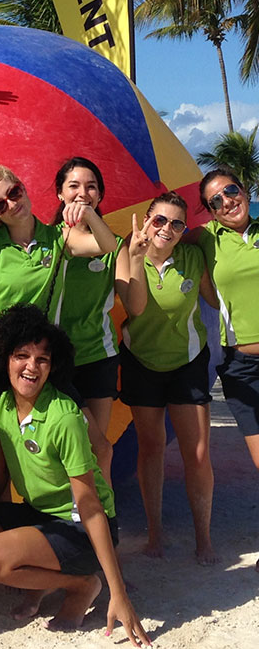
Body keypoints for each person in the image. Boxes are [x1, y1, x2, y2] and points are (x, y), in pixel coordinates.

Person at [0, 305, 150, 647]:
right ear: (3, 358)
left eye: (42, 359)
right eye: (22, 355)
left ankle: (83, 585)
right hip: (41, 515)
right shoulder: (0, 407)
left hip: (81, 526)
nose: (31, 366)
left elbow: (91, 507)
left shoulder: (64, 415)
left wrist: (118, 590)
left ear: (54, 366)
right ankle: (41, 582)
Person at [0, 164, 117, 479]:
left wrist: (85, 214)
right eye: (0, 205)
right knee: (0, 469)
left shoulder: (60, 238)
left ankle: (90, 520)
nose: (13, 204)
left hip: (44, 362)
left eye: (14, 192)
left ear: (24, 186)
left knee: (98, 447)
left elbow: (107, 246)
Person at [120, 191, 220, 564]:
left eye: (177, 223)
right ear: (146, 219)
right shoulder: (125, 254)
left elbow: (213, 300)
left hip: (188, 362)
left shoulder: (192, 258)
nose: (166, 228)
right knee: (151, 448)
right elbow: (136, 306)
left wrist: (204, 239)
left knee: (197, 453)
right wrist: (136, 254)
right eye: (159, 220)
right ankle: (155, 535)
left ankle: (204, 539)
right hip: (141, 361)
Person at [189, 168, 259, 571]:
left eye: (230, 191)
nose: (226, 201)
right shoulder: (208, 239)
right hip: (241, 365)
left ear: (244, 189)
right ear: (210, 213)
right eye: (215, 200)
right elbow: (164, 231)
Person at [53, 158, 147, 436]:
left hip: (97, 357)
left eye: (91, 187)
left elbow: (135, 307)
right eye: (74, 186)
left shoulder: (115, 246)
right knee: (58, 449)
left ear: (101, 194)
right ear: (60, 193)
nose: (83, 193)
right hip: (52, 357)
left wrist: (137, 259)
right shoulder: (46, 239)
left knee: (96, 448)